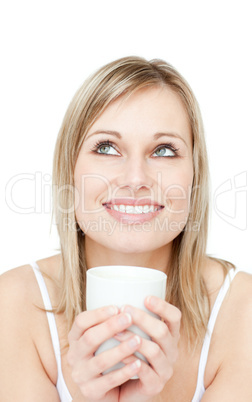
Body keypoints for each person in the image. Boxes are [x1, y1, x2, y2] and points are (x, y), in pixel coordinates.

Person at [0, 56, 252, 402]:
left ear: (195, 176)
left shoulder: (243, 311)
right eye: (106, 147)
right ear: (69, 170)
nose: (136, 180)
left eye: (163, 150)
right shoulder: (14, 304)